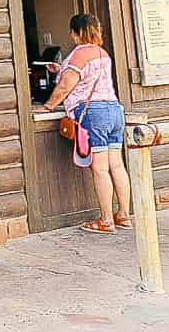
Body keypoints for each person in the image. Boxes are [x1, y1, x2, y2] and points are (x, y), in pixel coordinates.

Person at [44, 13, 131, 234]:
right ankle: (123, 214)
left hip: (94, 112)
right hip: (114, 110)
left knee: (100, 169)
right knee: (117, 165)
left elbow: (66, 87)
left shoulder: (79, 55)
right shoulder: (102, 54)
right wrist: (61, 68)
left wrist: (48, 106)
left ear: (76, 33)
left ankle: (106, 221)